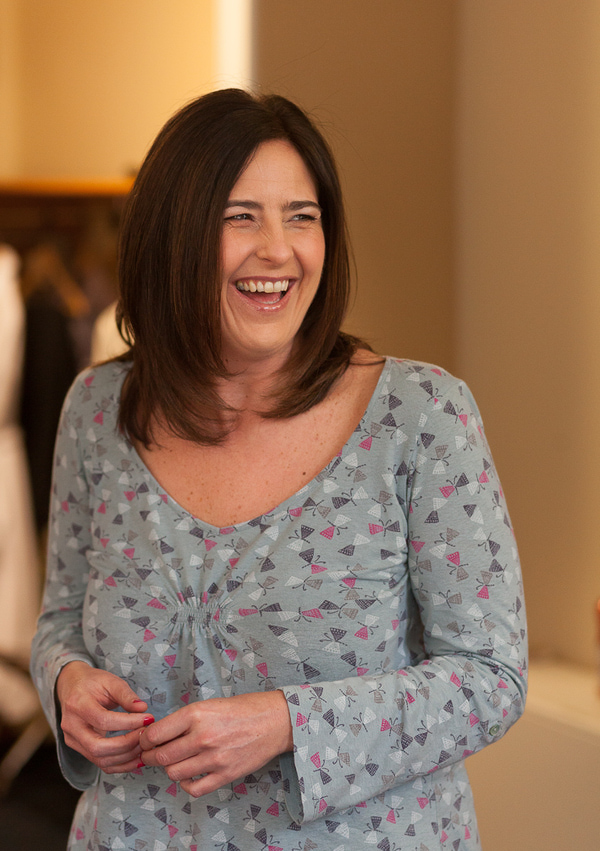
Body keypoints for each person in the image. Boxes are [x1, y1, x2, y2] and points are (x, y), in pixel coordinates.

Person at [31, 89, 527, 851]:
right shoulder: (98, 409)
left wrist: (289, 721)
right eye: (240, 217)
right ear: (172, 235)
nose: (277, 249)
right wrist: (67, 680)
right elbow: (60, 619)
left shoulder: (421, 415)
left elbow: (491, 675)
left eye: (302, 216)